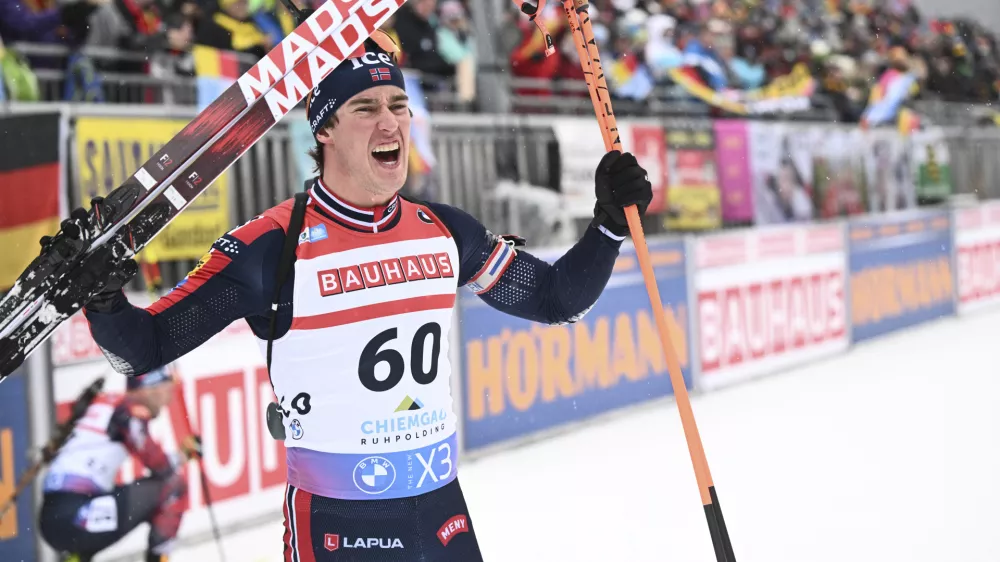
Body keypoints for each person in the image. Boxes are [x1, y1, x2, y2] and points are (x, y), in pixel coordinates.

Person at [77, 32, 652, 561]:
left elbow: (555, 300)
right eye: (366, 108)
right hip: (339, 526)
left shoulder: (444, 230)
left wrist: (607, 227)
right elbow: (144, 349)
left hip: (443, 515)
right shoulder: (271, 247)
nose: (390, 123)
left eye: (399, 106)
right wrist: (103, 299)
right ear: (323, 129)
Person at [37, 368, 201, 562]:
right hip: (78, 517)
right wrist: (185, 454)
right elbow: (158, 465)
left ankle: (77, 556)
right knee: (174, 486)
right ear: (150, 388)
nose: (169, 398)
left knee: (106, 495)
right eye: (167, 388)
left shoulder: (103, 402)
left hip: (51, 520)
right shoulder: (129, 409)